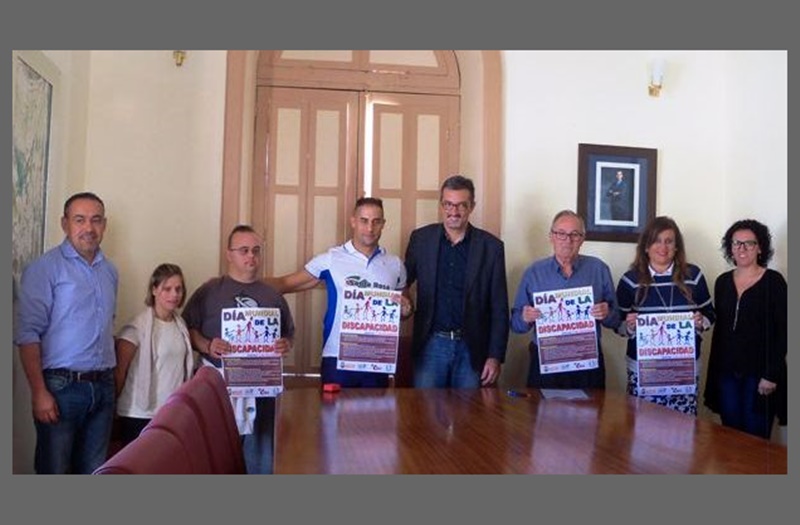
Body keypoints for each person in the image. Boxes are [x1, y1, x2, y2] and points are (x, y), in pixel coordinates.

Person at [14, 192, 118, 474]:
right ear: (65, 223)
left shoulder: (110, 271)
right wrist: (39, 392)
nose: (89, 228)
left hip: (103, 386)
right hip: (61, 389)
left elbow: (107, 324)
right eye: (79, 220)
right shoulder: (45, 268)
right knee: (55, 472)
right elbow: (28, 334)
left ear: (104, 224)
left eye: (96, 220)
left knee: (94, 472)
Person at [182, 225, 294, 474]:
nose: (251, 256)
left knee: (260, 458)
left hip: (261, 386)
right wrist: (208, 345)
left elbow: (288, 334)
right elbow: (187, 329)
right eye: (244, 250)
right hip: (219, 387)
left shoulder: (273, 296)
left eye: (256, 250)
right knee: (218, 455)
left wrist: (285, 344)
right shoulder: (209, 291)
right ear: (229, 254)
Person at [266, 197, 411, 387]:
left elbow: (405, 309)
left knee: (376, 408)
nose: (370, 228)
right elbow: (286, 283)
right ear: (353, 221)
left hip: (376, 358)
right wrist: (241, 285)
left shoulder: (395, 265)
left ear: (383, 224)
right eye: (364, 220)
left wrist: (406, 310)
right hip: (337, 357)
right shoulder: (331, 259)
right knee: (333, 408)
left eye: (376, 221)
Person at [404, 174, 509, 388]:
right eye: (448, 204)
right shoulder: (421, 239)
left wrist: (495, 356)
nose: (454, 211)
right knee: (425, 408)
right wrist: (403, 302)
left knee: (469, 409)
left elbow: (499, 307)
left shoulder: (491, 247)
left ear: (472, 206)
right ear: (441, 204)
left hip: (473, 348)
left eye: (461, 205)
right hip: (431, 345)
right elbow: (402, 282)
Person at [615, 215, 715, 415]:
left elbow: (710, 314)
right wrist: (630, 326)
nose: (663, 247)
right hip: (644, 369)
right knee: (643, 425)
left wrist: (700, 321)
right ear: (646, 246)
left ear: (677, 247)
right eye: (657, 241)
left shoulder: (693, 275)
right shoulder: (630, 280)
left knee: (683, 427)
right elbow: (617, 324)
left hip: (684, 368)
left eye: (669, 241)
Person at [511, 210, 620, 388]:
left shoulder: (599, 269)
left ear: (582, 239)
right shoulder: (534, 273)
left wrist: (606, 314)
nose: (568, 240)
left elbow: (616, 320)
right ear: (551, 237)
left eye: (574, 234)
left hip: (586, 361)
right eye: (561, 233)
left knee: (592, 406)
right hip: (546, 360)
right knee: (542, 406)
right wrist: (525, 318)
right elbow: (516, 325)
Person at [703, 219, 787, 439]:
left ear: (760, 248)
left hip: (759, 374)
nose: (742, 248)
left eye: (749, 243)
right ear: (730, 248)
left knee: (756, 439)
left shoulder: (774, 282)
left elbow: (783, 332)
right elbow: (719, 327)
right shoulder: (722, 282)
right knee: (730, 435)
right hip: (726, 372)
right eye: (736, 243)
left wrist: (771, 375)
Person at [114, 263, 195, 446]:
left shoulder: (181, 325)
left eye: (178, 289)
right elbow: (119, 373)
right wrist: (112, 411)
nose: (174, 294)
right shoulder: (137, 327)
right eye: (167, 289)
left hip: (171, 412)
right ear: (154, 290)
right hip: (138, 414)